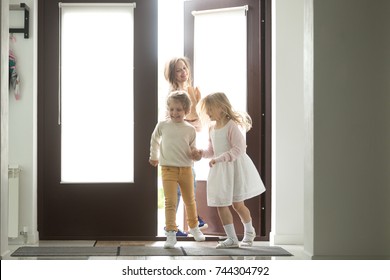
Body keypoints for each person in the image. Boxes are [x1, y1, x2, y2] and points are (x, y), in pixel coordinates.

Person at [191, 92, 266, 248]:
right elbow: (212, 150)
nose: (208, 113)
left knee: (238, 205)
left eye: (210, 109)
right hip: (220, 170)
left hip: (234, 168)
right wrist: (202, 153)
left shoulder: (231, 125)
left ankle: (249, 231)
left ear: (221, 108)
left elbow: (239, 149)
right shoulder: (212, 128)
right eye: (207, 110)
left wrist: (219, 159)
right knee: (221, 204)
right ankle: (231, 238)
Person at [149, 91, 205, 249]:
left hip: (186, 168)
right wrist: (154, 156)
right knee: (170, 202)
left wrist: (197, 155)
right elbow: (154, 140)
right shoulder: (162, 126)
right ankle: (171, 233)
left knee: (190, 200)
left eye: (179, 110)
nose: (175, 113)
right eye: (172, 109)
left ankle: (194, 228)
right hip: (168, 169)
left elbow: (193, 150)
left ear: (186, 110)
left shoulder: (190, 129)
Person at [164, 57, 208, 236]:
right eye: (179, 70)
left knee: (189, 183)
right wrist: (192, 116)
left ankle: (191, 220)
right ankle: (174, 226)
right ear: (172, 74)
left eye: (185, 68)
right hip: (175, 147)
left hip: (186, 144)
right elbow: (174, 121)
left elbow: (197, 125)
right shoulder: (174, 94)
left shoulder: (190, 92)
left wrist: (195, 115)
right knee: (179, 188)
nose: (184, 72)